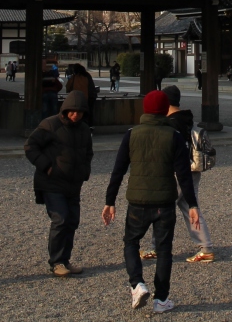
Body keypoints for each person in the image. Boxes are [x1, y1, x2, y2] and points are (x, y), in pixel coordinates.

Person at [101, 90, 201, 314]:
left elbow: (118, 170)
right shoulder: (174, 135)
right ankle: (161, 299)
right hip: (164, 201)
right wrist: (192, 205)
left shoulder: (131, 134)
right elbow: (184, 175)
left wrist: (110, 201)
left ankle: (137, 284)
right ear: (166, 110)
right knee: (164, 250)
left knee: (131, 242)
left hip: (137, 200)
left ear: (144, 109)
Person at [24, 89, 94, 276]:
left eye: (79, 112)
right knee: (60, 219)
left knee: (72, 221)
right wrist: (47, 166)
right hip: (51, 182)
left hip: (74, 184)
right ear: (65, 109)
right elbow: (30, 146)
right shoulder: (50, 125)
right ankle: (56, 262)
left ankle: (65, 260)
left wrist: (85, 171)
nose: (75, 115)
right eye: (72, 111)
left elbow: (88, 153)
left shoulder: (84, 129)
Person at [142, 85, 213, 263]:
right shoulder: (187, 119)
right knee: (190, 206)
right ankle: (205, 247)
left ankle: (157, 246)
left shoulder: (171, 124)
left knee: (162, 207)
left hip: (176, 171)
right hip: (192, 169)